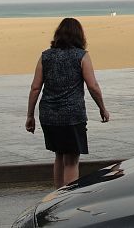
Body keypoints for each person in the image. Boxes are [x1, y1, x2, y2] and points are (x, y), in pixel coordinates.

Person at [25, 18, 110, 189]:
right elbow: (92, 86)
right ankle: (67, 201)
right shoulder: (82, 56)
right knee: (71, 160)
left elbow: (35, 88)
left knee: (58, 155)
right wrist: (102, 108)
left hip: (49, 115)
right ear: (80, 36)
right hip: (72, 115)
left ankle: (57, 197)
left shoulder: (46, 56)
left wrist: (30, 115)